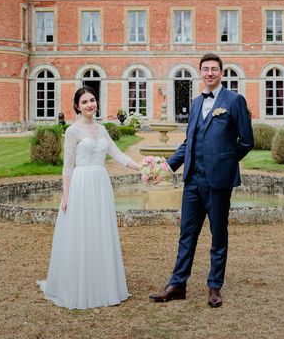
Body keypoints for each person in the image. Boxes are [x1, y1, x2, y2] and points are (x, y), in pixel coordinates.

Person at [149, 53, 254, 308]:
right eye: (205, 69)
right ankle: (177, 284)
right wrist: (168, 166)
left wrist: (225, 162)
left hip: (219, 181)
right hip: (193, 181)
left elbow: (247, 141)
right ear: (200, 72)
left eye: (214, 69)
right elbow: (189, 142)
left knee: (218, 234)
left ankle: (214, 287)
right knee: (187, 234)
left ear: (221, 73)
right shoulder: (196, 103)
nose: (209, 73)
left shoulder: (234, 100)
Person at [38, 86, 140, 310]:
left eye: (92, 100)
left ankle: (103, 284)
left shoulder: (102, 129)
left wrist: (141, 167)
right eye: (84, 102)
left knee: (100, 231)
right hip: (82, 183)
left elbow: (119, 155)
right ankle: (79, 285)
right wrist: (66, 196)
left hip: (100, 183)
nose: (89, 105)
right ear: (77, 106)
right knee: (82, 232)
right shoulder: (73, 131)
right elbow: (67, 167)